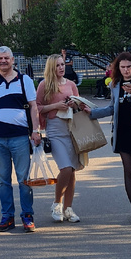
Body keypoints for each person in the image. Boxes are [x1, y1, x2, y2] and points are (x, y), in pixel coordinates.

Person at [84, 52, 131, 224]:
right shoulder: (115, 84)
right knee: (129, 172)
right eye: (122, 67)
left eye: (128, 67)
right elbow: (112, 108)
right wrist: (92, 113)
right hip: (123, 132)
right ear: (118, 68)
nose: (126, 70)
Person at [0, 46, 41, 233]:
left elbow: (33, 106)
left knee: (24, 179)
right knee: (3, 180)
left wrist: (36, 130)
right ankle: (7, 216)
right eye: (0, 58)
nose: (3, 61)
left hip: (20, 137)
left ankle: (27, 216)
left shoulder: (24, 80)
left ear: (13, 60)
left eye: (6, 58)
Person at [36, 54, 82, 223]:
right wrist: (56, 105)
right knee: (66, 168)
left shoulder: (71, 84)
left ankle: (68, 209)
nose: (61, 68)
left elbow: (80, 104)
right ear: (51, 68)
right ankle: (57, 203)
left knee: (72, 171)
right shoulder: (44, 85)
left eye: (62, 64)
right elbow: (38, 107)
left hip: (71, 129)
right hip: (55, 129)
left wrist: (73, 103)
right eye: (57, 66)